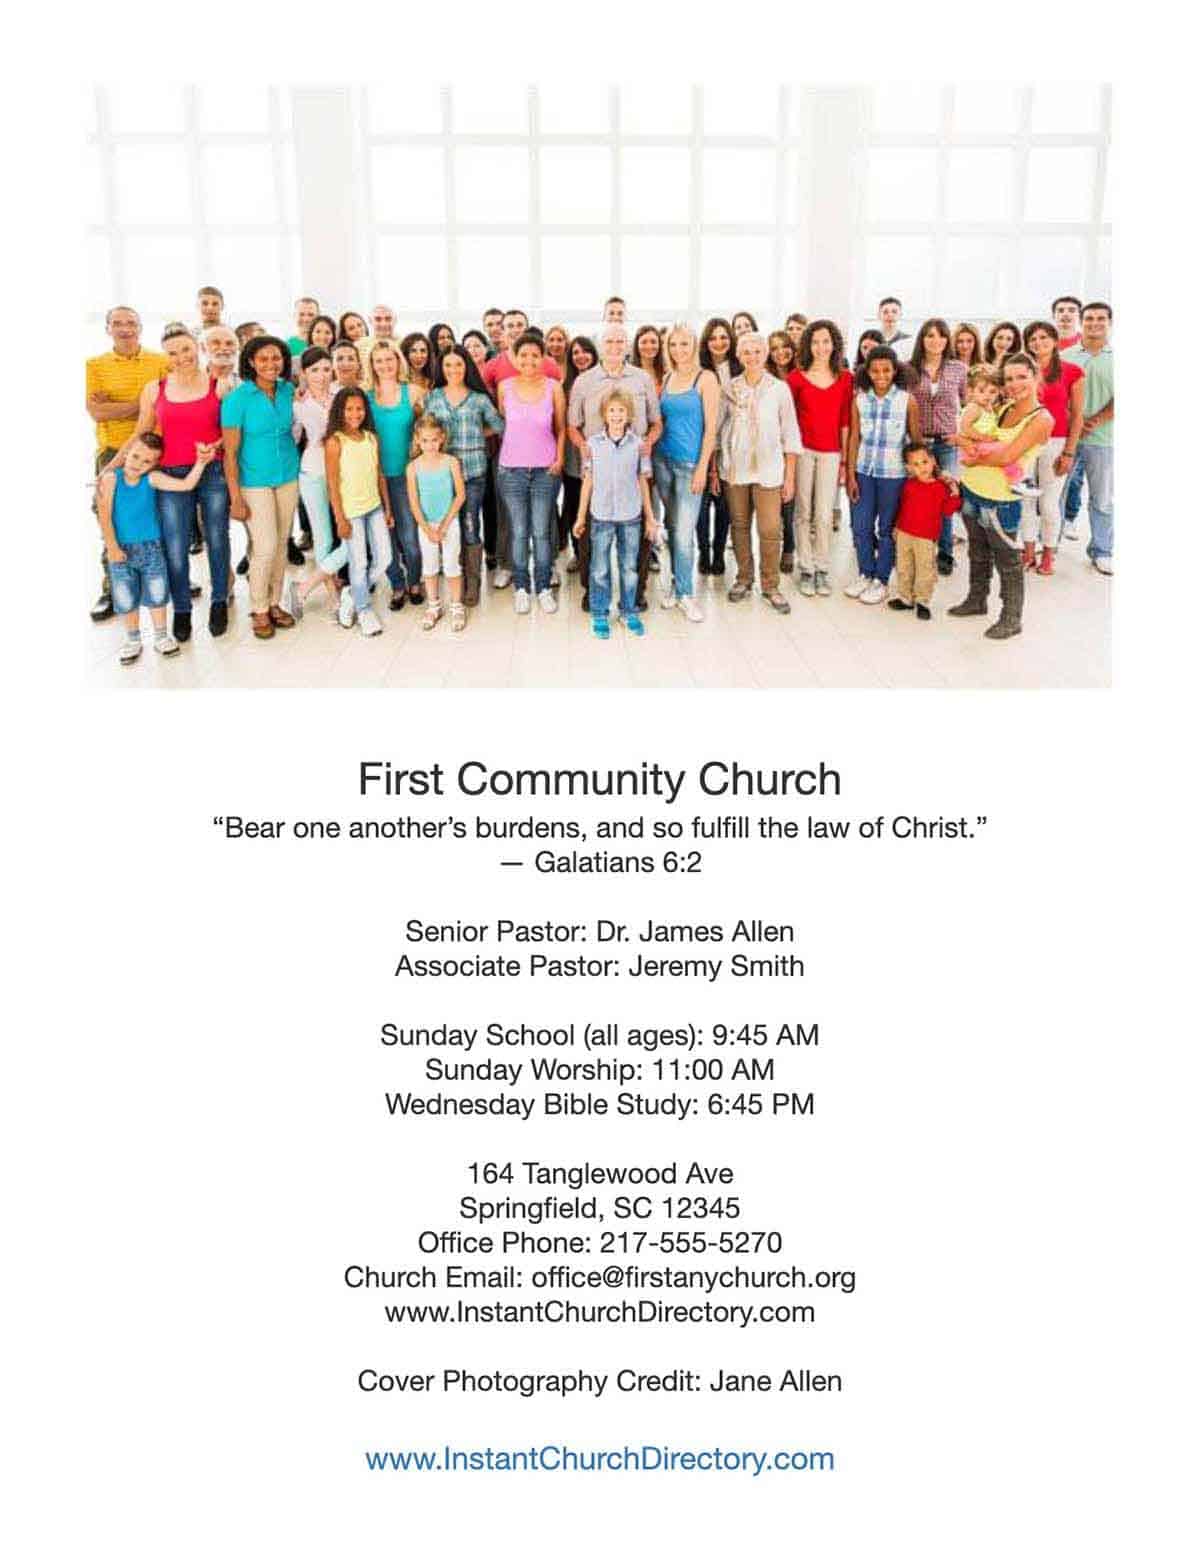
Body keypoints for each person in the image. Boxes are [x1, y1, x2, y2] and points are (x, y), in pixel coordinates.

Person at [103, 324, 235, 641]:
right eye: (172, 353)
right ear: (167, 357)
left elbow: (229, 435)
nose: (181, 357)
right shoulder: (155, 389)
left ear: (197, 349)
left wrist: (213, 447)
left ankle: (219, 601)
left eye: (186, 349)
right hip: (170, 474)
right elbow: (140, 434)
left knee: (217, 538)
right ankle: (182, 610)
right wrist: (110, 467)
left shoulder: (220, 385)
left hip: (212, 471)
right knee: (175, 546)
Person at [949, 353, 1052, 639]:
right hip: (972, 490)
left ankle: (1011, 617)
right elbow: (971, 436)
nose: (1014, 384)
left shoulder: (1041, 419)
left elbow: (1008, 454)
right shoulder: (1003, 407)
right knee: (977, 551)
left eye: (1021, 377)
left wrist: (971, 456)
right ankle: (976, 599)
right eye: (1008, 378)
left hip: (1000, 500)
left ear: (1035, 376)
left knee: (1006, 560)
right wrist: (964, 442)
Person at [566, 324, 661, 612]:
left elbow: (656, 422)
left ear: (628, 345)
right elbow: (572, 425)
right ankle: (592, 591)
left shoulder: (643, 379)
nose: (616, 346)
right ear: (601, 345)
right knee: (593, 532)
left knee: (639, 531)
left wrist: (648, 442)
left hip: (635, 466)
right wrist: (583, 446)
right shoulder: (584, 381)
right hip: (599, 467)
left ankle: (636, 592)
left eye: (621, 341)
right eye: (610, 341)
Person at [97, 432, 215, 663]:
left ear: (155, 464)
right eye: (135, 456)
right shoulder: (112, 479)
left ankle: (161, 636)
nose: (137, 464)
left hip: (152, 549)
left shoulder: (151, 479)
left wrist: (201, 462)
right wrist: (111, 547)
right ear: (127, 453)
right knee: (124, 595)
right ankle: (132, 640)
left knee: (158, 591)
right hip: (120, 550)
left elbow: (186, 484)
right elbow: (104, 514)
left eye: (146, 461)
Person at [85, 306, 169, 621]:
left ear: (140, 327)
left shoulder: (159, 362)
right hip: (112, 452)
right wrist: (141, 404)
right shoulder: (94, 365)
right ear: (108, 329)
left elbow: (163, 408)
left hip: (153, 452)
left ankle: (165, 577)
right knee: (109, 519)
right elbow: (97, 413)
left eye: (130, 323)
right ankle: (112, 589)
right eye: (117, 324)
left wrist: (119, 406)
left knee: (157, 517)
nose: (124, 329)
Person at [220, 335, 301, 640]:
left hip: (288, 474)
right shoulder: (237, 399)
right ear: (251, 362)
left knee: (281, 543)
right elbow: (229, 453)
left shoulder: (287, 390)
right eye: (263, 359)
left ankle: (276, 602)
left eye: (276, 358)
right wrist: (235, 497)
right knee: (264, 546)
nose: (271, 364)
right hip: (253, 480)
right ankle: (259, 607)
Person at [716, 331, 801, 614]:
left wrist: (789, 476)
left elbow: (790, 433)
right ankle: (743, 578)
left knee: (769, 529)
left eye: (756, 351)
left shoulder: (779, 389)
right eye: (746, 351)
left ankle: (771, 584)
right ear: (738, 356)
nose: (751, 356)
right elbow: (719, 430)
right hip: (735, 471)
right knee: (739, 525)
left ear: (765, 354)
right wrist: (718, 469)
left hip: (770, 471)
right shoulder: (729, 388)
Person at [424, 347, 505, 607]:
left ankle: (472, 585)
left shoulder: (479, 398)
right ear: (441, 368)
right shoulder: (433, 397)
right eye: (448, 365)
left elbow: (501, 425)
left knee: (470, 527)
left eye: (458, 365)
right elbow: (425, 429)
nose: (453, 370)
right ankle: (453, 580)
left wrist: (478, 435)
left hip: (472, 473)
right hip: (442, 474)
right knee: (448, 527)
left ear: (466, 366)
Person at [575, 388, 656, 639]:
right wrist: (580, 516)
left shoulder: (638, 445)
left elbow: (642, 481)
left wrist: (650, 518)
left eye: (621, 410)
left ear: (629, 414)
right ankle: (600, 611)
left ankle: (628, 609)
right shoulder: (593, 444)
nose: (616, 415)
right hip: (600, 515)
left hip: (630, 515)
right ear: (604, 415)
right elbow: (588, 480)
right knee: (599, 567)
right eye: (612, 410)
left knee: (629, 566)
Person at [845, 346, 923, 605]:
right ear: (867, 372)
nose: (881, 375)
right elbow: (855, 438)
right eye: (875, 370)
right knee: (861, 526)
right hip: (864, 472)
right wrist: (851, 474)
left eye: (886, 370)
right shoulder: (859, 399)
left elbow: (915, 441)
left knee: (887, 529)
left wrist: (919, 476)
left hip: (894, 476)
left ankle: (881, 579)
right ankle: (865, 572)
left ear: (895, 371)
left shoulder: (907, 400)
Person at [496, 332, 566, 615]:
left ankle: (544, 587)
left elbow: (560, 428)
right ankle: (522, 587)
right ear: (515, 356)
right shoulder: (504, 387)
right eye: (523, 354)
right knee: (519, 531)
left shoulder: (554, 387)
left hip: (545, 470)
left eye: (535, 355)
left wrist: (560, 457)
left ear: (543, 357)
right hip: (511, 469)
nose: (529, 360)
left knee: (541, 532)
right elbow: (508, 424)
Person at [653, 324, 717, 623]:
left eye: (685, 344)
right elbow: (661, 421)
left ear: (694, 345)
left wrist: (703, 467)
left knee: (683, 532)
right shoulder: (667, 377)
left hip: (690, 465)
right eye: (674, 344)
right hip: (663, 459)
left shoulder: (706, 379)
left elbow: (711, 430)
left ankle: (686, 594)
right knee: (673, 525)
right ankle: (676, 585)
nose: (679, 349)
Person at [786, 320, 853, 598]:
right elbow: (788, 422)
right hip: (802, 451)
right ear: (807, 345)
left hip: (831, 453)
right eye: (815, 342)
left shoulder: (846, 378)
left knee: (824, 513)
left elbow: (846, 422)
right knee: (803, 512)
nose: (821, 347)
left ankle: (822, 567)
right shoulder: (796, 378)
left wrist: (844, 462)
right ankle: (806, 567)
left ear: (834, 344)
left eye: (826, 341)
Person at [325, 388, 393, 638]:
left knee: (384, 558)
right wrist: (339, 518)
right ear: (340, 411)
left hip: (374, 507)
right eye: (350, 409)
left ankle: (352, 593)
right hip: (351, 512)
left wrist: (386, 507)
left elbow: (379, 475)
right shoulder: (335, 441)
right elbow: (332, 483)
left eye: (360, 408)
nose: (355, 414)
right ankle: (364, 610)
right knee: (359, 562)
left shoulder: (371, 438)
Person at [1020, 322, 1085, 574]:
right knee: (1025, 500)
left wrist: (1069, 451)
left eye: (1043, 337)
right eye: (1032, 338)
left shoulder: (1072, 371)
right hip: (1025, 441)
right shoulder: (1023, 371)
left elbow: (1078, 416)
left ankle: (1048, 553)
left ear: (1055, 340)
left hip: (1056, 443)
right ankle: (1027, 552)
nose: (1038, 342)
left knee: (1048, 503)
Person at [290, 347, 346, 622]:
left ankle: (305, 585)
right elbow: (292, 437)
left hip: (345, 470)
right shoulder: (298, 403)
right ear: (304, 373)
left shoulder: (342, 395)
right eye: (315, 370)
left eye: (326, 369)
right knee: (323, 537)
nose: (322, 376)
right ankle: (333, 595)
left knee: (353, 535)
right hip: (312, 471)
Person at [909, 318, 969, 576]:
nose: (936, 340)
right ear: (922, 339)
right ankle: (916, 549)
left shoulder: (958, 369)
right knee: (918, 499)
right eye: (930, 335)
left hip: (946, 442)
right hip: (919, 443)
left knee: (946, 498)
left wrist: (962, 434)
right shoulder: (909, 369)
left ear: (948, 340)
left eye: (941, 335)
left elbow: (970, 404)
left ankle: (944, 552)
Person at [367, 342, 423, 610]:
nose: (385, 365)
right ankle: (397, 585)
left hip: (405, 476)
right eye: (379, 361)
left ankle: (415, 581)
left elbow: (428, 427)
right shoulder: (365, 397)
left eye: (389, 359)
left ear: (398, 361)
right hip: (374, 477)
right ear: (372, 365)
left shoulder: (412, 392)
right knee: (384, 539)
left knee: (409, 536)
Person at [1062, 303, 1114, 575]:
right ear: (1082, 322)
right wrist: (1075, 422)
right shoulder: (1066, 356)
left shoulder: (1117, 356)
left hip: (1103, 439)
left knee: (1102, 497)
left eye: (1101, 319)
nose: (1095, 323)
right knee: (1058, 493)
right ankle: (1051, 546)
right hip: (1067, 436)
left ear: (1109, 322)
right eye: (1090, 318)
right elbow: (1059, 395)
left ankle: (1102, 551)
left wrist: (1094, 421)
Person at [407, 414, 467, 632]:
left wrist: (443, 526)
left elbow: (460, 495)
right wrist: (427, 528)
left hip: (448, 522)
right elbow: (414, 502)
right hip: (426, 525)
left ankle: (457, 605)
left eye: (434, 439)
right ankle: (433, 606)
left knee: (452, 564)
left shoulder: (451, 462)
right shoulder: (413, 467)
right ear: (417, 440)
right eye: (425, 440)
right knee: (430, 566)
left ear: (441, 438)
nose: (430, 445)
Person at [888, 443, 962, 621]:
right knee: (904, 567)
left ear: (933, 462)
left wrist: (955, 494)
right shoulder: (908, 485)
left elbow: (947, 511)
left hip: (926, 538)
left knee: (924, 570)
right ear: (908, 468)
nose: (922, 467)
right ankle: (905, 598)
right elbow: (903, 508)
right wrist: (897, 527)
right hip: (904, 534)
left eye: (925, 462)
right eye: (916, 464)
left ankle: (922, 601)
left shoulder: (940, 488)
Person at [696, 317, 736, 575]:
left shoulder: (740, 369)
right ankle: (704, 552)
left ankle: (720, 553)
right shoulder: (699, 370)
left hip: (730, 448)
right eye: (713, 338)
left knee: (724, 507)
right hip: (702, 445)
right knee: (700, 507)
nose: (719, 342)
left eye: (723, 337)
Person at [562, 336, 599, 575]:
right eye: (575, 352)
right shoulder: (564, 385)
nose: (581, 356)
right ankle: (578, 552)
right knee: (575, 504)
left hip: (597, 455)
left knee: (596, 507)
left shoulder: (602, 381)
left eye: (586, 351)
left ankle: (595, 554)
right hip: (573, 455)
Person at [767, 331, 799, 571]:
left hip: (796, 446)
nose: (780, 352)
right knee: (774, 505)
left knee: (789, 503)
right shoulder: (765, 378)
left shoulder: (801, 375)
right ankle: (775, 547)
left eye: (785, 346)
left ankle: (789, 548)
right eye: (774, 347)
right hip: (771, 447)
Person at [356, 304, 403, 381]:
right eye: (378, 319)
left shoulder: (405, 344)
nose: (383, 324)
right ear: (370, 321)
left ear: (395, 320)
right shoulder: (358, 346)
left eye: (388, 319)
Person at [400, 333, 434, 398]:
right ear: (406, 354)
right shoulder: (400, 379)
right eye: (413, 351)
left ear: (428, 354)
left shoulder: (432, 380)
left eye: (423, 351)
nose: (419, 356)